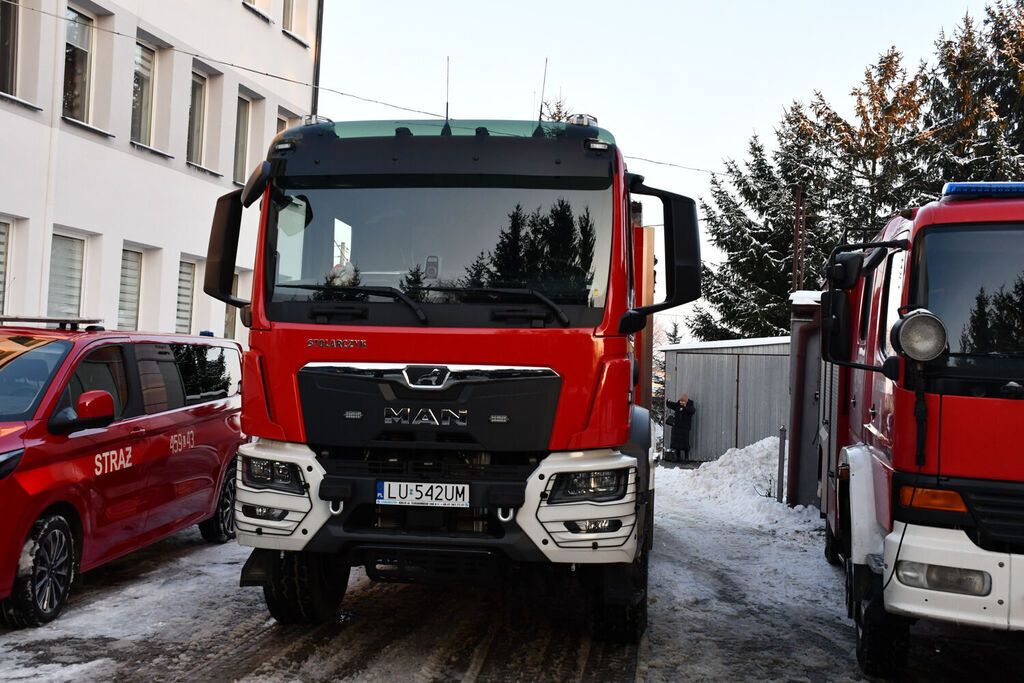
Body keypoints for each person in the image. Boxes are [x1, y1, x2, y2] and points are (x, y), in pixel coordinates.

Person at [665, 393, 696, 462]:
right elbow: (670, 405)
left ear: (686, 401)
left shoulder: (690, 406)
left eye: (683, 401)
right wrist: (668, 401)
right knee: (677, 444)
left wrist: (684, 408)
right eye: (681, 401)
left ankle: (686, 458)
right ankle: (678, 457)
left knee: (685, 443)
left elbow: (692, 410)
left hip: (685, 428)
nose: (681, 402)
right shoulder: (678, 405)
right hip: (677, 427)